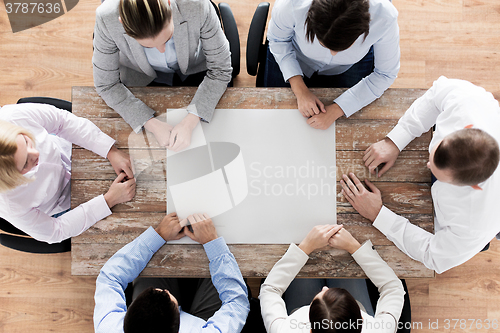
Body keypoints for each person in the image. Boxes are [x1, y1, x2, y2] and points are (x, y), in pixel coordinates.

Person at [341, 76, 500, 273]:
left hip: (477, 222)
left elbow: (432, 255)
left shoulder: (474, 224)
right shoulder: (467, 102)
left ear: (473, 186)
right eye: (434, 154)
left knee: (466, 247)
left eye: (438, 173)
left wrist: (378, 214)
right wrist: (396, 140)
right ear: (465, 128)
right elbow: (436, 95)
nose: (426, 164)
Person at [93, 0, 232, 151]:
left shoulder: (196, 4)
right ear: (122, 23)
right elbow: (106, 85)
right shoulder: (106, 17)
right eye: (147, 46)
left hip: (194, 68)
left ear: (169, 4)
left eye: (167, 39)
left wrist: (190, 121)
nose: (161, 51)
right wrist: (151, 123)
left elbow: (220, 69)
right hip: (141, 77)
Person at [0, 102, 136, 243]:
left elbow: (61, 121)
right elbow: (55, 231)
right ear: (12, 178)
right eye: (25, 163)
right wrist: (109, 200)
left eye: (27, 142)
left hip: (69, 149)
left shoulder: (12, 116)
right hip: (62, 204)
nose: (36, 153)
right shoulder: (9, 204)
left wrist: (110, 151)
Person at [94, 212, 250, 333]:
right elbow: (237, 303)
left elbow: (109, 277)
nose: (165, 291)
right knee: (231, 268)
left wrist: (158, 235)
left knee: (151, 266)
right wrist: (212, 243)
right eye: (166, 294)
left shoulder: (109, 327)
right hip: (202, 322)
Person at [265, 0, 400, 130]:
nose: (333, 54)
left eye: (343, 48)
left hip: (351, 66)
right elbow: (278, 40)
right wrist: (300, 90)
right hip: (294, 54)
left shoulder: (385, 16)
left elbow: (385, 74)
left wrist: (337, 109)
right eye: (323, 44)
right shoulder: (291, 4)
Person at [259, 224, 405, 333]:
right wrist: (353, 247)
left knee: (301, 235)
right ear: (361, 320)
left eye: (322, 293)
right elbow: (394, 289)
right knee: (343, 258)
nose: (325, 288)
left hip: (299, 313)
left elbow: (270, 290)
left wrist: (306, 247)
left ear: (311, 330)